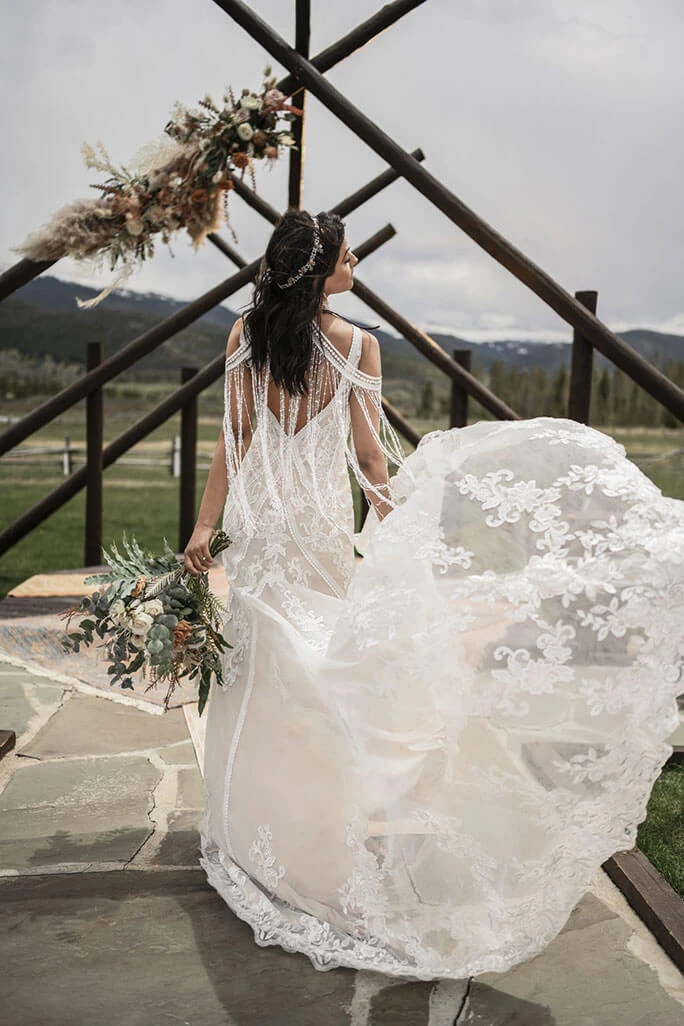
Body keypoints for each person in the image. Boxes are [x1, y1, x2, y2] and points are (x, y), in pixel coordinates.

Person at [184, 208, 684, 981]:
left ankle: (264, 835)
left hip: (267, 536)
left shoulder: (242, 337)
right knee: (307, 678)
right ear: (319, 272)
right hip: (315, 535)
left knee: (269, 679)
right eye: (348, 257)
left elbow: (236, 441)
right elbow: (370, 465)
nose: (356, 266)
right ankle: (308, 838)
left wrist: (206, 527)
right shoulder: (356, 345)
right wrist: (395, 525)